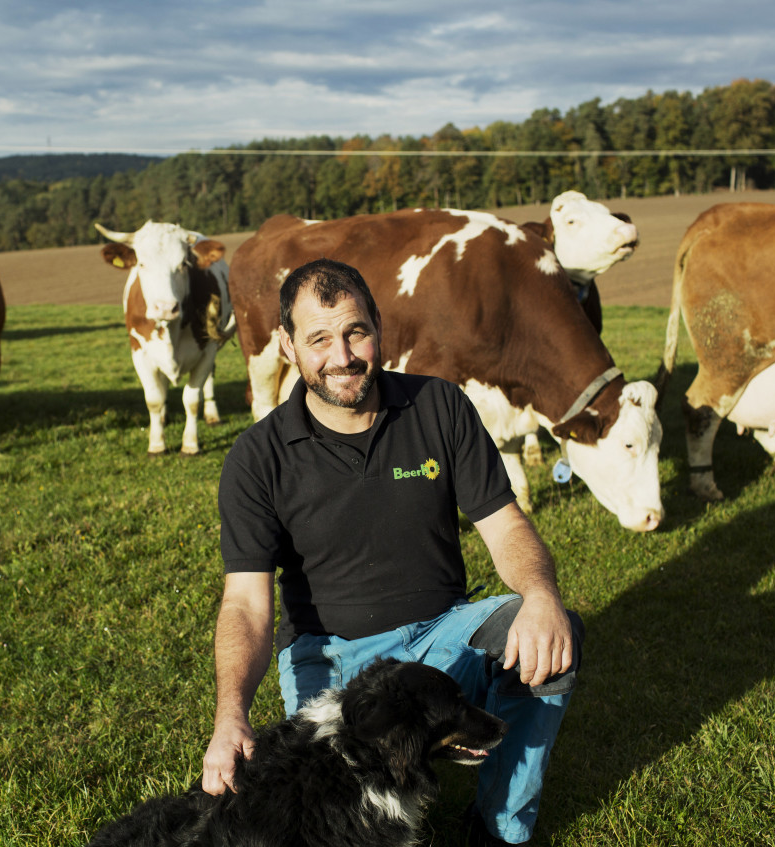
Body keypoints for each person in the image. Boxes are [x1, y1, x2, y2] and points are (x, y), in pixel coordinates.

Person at [202, 258, 582, 846]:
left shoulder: (439, 406)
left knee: (554, 640)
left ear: (379, 325)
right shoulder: (257, 459)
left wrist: (539, 595)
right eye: (319, 339)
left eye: (355, 331)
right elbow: (247, 606)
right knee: (330, 808)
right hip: (330, 659)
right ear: (286, 345)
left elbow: (506, 527)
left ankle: (499, 830)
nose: (342, 355)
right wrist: (231, 713)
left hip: (441, 634)